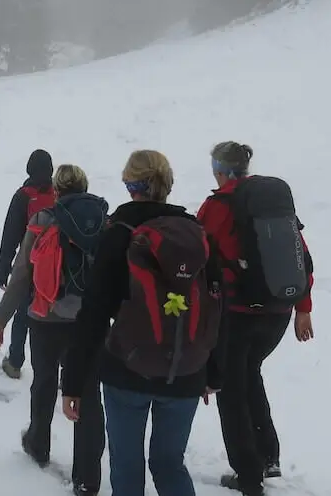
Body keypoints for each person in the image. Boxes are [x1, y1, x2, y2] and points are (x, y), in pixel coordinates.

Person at [61, 150, 223, 496]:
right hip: (185, 371)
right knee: (170, 464)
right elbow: (215, 305)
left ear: (131, 185)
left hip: (127, 370)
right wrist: (211, 371)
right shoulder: (196, 234)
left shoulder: (119, 233)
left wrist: (72, 381)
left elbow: (93, 312)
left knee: (126, 464)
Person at [196, 142, 316, 496]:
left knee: (231, 388)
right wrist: (303, 308)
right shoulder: (272, 204)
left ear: (219, 170)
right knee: (249, 373)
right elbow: (301, 257)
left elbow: (201, 258)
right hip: (277, 313)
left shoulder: (217, 206)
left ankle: (248, 475)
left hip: (237, 313)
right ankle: (267, 456)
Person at [0, 164, 108, 496]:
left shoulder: (43, 220)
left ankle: (38, 443)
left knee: (43, 382)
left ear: (57, 190)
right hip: (89, 323)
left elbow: (22, 274)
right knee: (88, 394)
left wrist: (1, 318)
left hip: (46, 318)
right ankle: (87, 478)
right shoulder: (103, 222)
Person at [0, 149, 56, 379]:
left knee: (22, 314)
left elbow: (10, 235)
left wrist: (3, 269)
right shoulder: (60, 193)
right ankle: (61, 370)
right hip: (57, 267)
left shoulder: (23, 196)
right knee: (56, 318)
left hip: (29, 266)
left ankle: (15, 362)